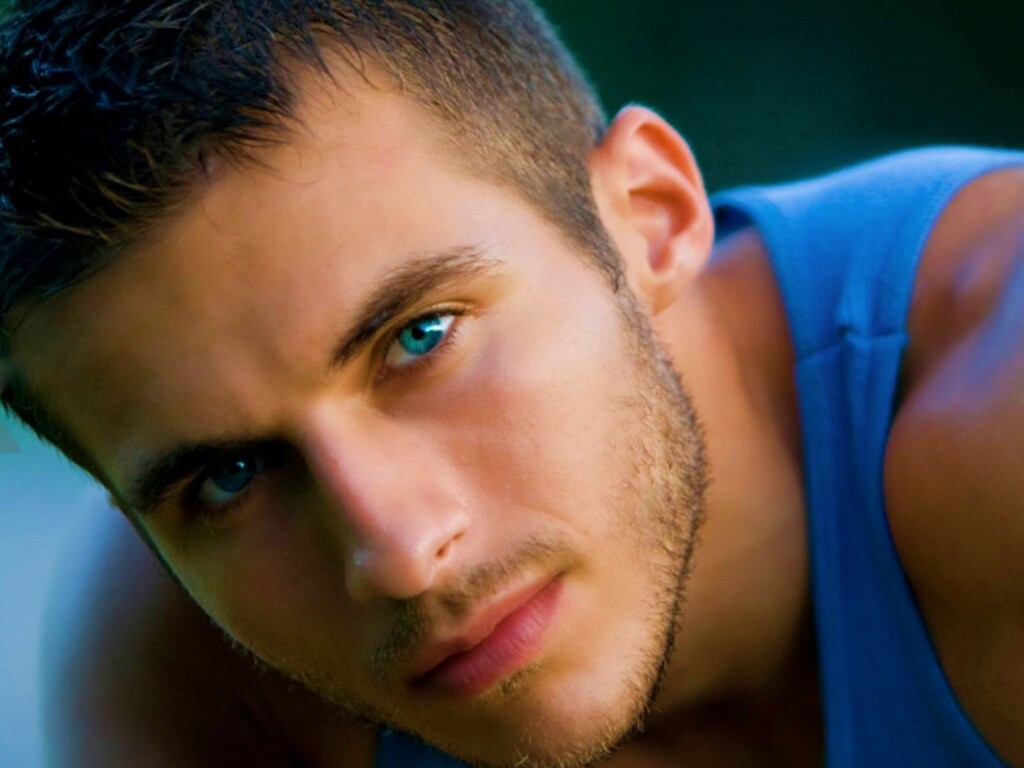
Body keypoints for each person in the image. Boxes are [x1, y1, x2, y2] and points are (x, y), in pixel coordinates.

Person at [1, 1, 1021, 766]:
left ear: (650, 215)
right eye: (230, 475)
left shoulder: (997, 422)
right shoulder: (193, 686)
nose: (398, 555)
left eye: (420, 339)